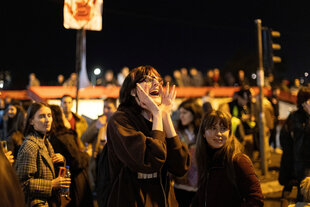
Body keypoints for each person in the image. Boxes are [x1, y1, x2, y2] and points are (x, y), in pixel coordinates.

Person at [105, 65, 190, 206]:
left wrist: (165, 114)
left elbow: (180, 167)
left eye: (159, 80)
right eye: (149, 80)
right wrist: (157, 114)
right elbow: (151, 161)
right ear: (133, 91)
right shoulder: (120, 120)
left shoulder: (158, 118)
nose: (156, 83)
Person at [192, 110, 263, 206]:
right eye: (213, 128)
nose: (219, 133)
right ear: (203, 133)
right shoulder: (204, 158)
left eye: (223, 128)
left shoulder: (239, 160)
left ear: (229, 133)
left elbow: (256, 199)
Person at [15, 102, 71, 207]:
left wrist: (61, 160)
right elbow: (22, 185)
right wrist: (51, 184)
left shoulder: (45, 142)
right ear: (31, 121)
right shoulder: (30, 146)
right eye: (41, 116)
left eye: (49, 115)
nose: (47, 120)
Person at [49, 105, 94, 207]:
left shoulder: (52, 136)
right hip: (74, 184)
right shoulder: (65, 136)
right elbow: (77, 161)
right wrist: (86, 154)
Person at [279, 86, 310, 202]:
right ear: (304, 102)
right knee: (304, 193)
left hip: (304, 159)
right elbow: (289, 138)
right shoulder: (296, 117)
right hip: (303, 161)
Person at [174, 98, 203, 207]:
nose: (181, 116)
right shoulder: (176, 133)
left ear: (194, 113)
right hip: (181, 184)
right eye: (180, 113)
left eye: (185, 113)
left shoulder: (203, 133)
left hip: (200, 184)